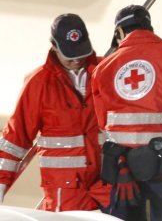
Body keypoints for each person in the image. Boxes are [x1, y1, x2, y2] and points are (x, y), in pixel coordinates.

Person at [92, 5, 162, 220]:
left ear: (119, 33)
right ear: (149, 28)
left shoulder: (103, 67)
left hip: (122, 166)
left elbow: (102, 121)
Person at [0, 14, 110, 212]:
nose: (76, 59)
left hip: (105, 187)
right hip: (64, 195)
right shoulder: (39, 83)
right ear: (54, 46)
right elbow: (15, 140)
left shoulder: (105, 72)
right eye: (70, 54)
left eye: (80, 51)